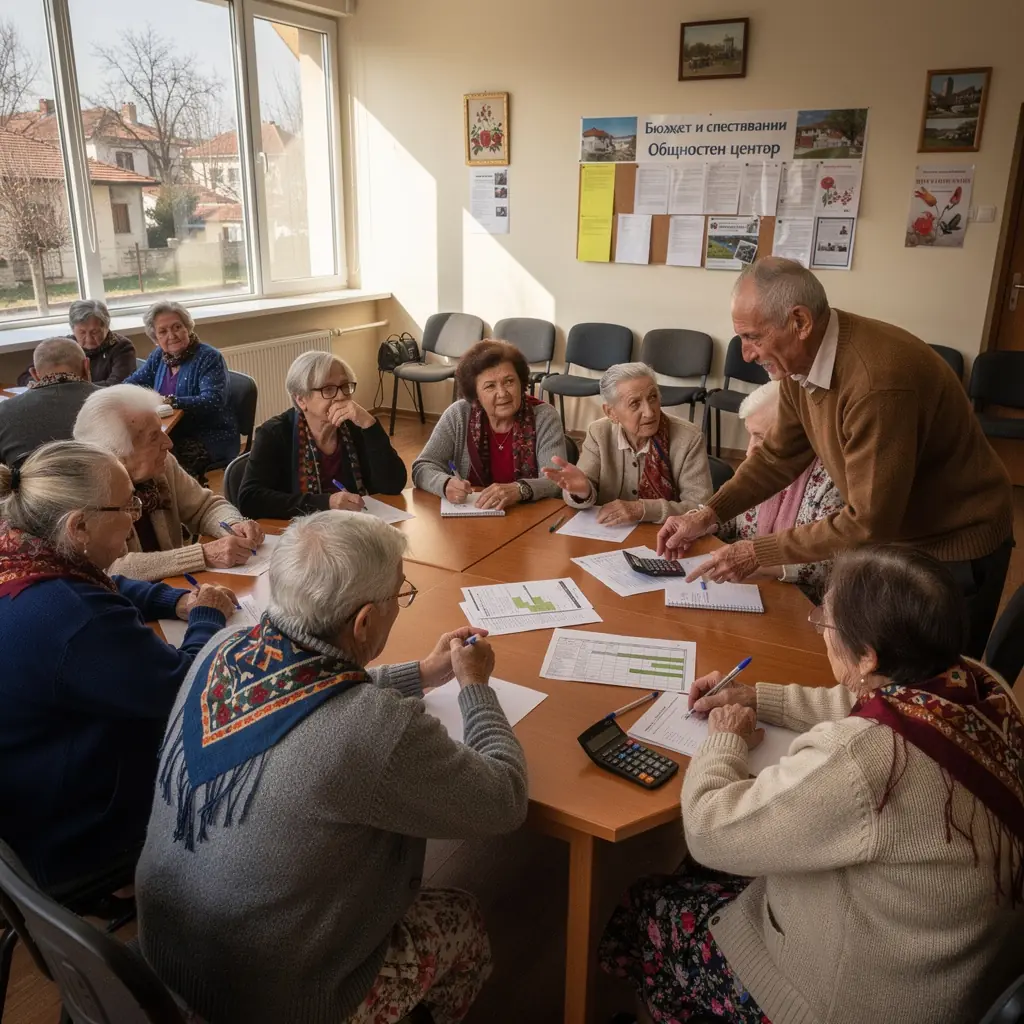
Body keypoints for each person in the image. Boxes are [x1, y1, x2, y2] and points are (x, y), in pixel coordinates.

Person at [599, 546, 1024, 1024]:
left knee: (652, 906)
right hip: (954, 964)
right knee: (714, 872)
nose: (821, 629)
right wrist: (755, 696)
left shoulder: (866, 758)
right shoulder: (977, 684)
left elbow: (707, 828)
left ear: (867, 657)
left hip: (868, 1000)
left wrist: (724, 741)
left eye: (826, 622)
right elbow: (859, 701)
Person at [137, 511, 528, 1024]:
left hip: (167, 957)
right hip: (283, 1000)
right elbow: (504, 801)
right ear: (363, 620)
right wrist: (476, 687)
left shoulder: (221, 647)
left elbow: (303, 692)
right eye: (399, 595)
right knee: (463, 920)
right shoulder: (373, 727)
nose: (399, 604)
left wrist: (423, 672)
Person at [657, 257, 1014, 657]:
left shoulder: (876, 384)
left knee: (939, 683)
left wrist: (754, 551)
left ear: (801, 322)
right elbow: (777, 456)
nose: (747, 353)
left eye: (754, 337)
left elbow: (868, 522)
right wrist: (707, 513)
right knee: (893, 670)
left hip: (956, 541)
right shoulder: (799, 364)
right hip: (900, 535)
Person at [0, 441, 235, 889]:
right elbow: (187, 688)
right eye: (127, 505)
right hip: (73, 826)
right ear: (80, 525)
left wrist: (175, 600)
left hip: (24, 784)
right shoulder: (76, 618)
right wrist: (208, 617)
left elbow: (105, 580)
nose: (136, 516)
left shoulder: (21, 548)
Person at [73, 385, 263, 581]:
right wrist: (202, 555)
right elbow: (110, 570)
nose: (168, 443)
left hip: (176, 592)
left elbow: (205, 507)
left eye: (161, 430)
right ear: (117, 455)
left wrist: (233, 525)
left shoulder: (161, 466)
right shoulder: (87, 495)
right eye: (154, 437)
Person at [238, 351, 407, 519]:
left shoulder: (355, 426)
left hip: (355, 526)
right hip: (299, 534)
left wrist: (369, 425)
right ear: (301, 400)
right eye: (328, 389)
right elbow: (250, 500)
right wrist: (326, 503)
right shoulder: (275, 434)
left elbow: (392, 485)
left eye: (344, 386)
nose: (341, 396)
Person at [541, 362, 712, 525]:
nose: (649, 412)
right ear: (611, 412)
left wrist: (642, 509)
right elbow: (582, 487)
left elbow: (701, 508)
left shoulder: (689, 438)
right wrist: (583, 492)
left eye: (652, 397)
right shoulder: (599, 433)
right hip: (609, 536)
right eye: (635, 403)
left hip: (668, 539)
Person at [718, 379, 844, 596]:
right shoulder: (756, 467)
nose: (749, 451)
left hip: (801, 600)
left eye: (761, 437)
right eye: (750, 434)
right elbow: (730, 519)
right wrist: (701, 519)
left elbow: (828, 566)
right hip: (746, 588)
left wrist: (758, 563)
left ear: (795, 434)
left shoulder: (832, 481)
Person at [412, 339, 566, 510]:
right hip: (472, 520)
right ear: (475, 394)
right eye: (490, 386)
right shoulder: (459, 415)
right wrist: (444, 483)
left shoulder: (544, 416)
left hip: (529, 518)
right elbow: (422, 467)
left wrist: (520, 489)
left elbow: (557, 480)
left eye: (509, 381)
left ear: (521, 383)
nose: (502, 393)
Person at [126, 301, 238, 481]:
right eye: (163, 331)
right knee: (137, 456)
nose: (171, 335)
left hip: (207, 434)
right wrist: (115, 395)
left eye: (177, 327)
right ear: (155, 338)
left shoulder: (209, 357)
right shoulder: (159, 357)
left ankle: (190, 504)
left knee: (161, 462)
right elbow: (133, 382)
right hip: (170, 430)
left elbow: (212, 400)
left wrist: (170, 401)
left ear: (188, 327)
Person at [0, 338, 97, 468]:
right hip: (107, 486)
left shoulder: (4, 411)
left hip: (33, 487)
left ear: (34, 374)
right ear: (86, 366)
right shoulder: (115, 401)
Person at [16, 299, 137, 388]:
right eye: (82, 332)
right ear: (72, 329)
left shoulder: (121, 347)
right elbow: (24, 378)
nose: (89, 338)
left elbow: (117, 385)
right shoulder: (64, 346)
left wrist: (62, 386)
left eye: (95, 332)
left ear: (106, 327)